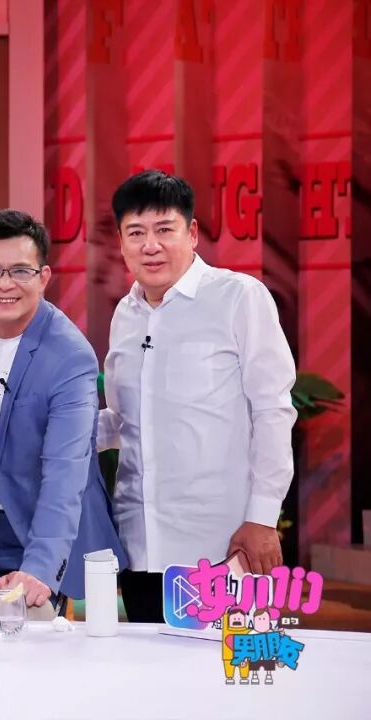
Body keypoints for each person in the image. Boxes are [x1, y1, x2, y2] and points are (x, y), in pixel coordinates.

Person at [99, 170, 297, 622]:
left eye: (164, 230)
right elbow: (125, 421)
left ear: (191, 233)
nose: (151, 245)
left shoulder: (238, 297)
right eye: (136, 233)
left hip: (222, 546)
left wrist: (262, 517)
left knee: (225, 665)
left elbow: (272, 410)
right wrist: (55, 429)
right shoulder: (125, 315)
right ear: (121, 243)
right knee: (147, 665)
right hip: (139, 546)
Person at [0, 209, 126, 608]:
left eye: (20, 271)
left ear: (44, 277)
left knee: (34, 640)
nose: (5, 284)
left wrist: (39, 566)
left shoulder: (70, 356)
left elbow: (66, 471)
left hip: (43, 528)